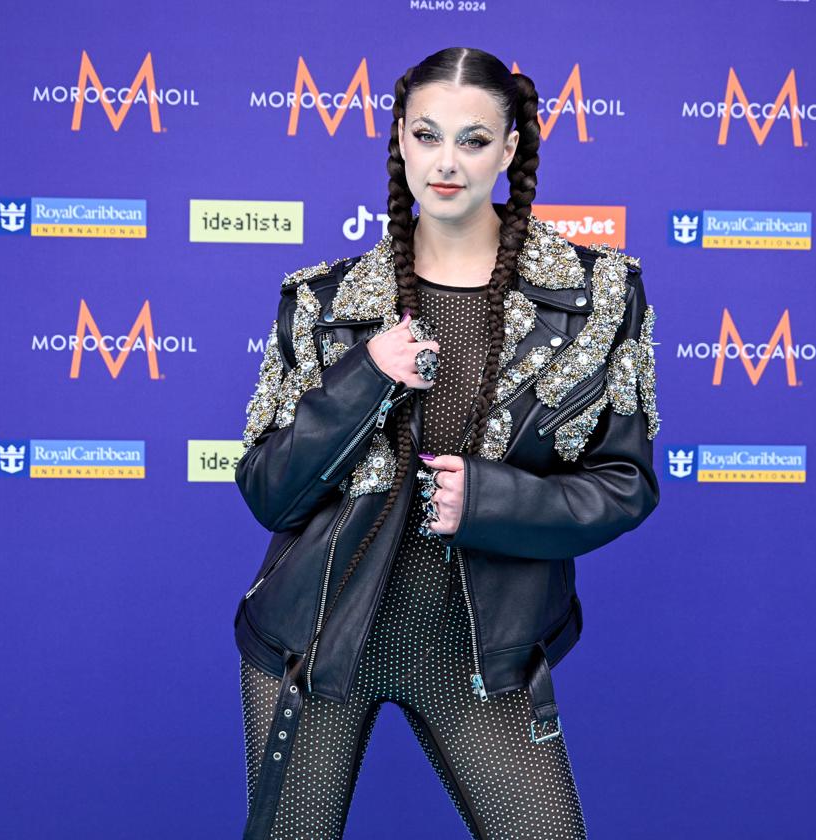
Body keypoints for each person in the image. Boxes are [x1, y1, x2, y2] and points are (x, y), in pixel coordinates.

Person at [233, 46, 661, 839]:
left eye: (473, 140)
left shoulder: (598, 296)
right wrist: (365, 374)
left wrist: (490, 501)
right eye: (428, 136)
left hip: (481, 651)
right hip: (314, 643)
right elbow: (266, 491)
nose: (447, 162)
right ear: (399, 139)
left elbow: (626, 484)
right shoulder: (323, 302)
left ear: (509, 149)